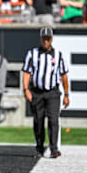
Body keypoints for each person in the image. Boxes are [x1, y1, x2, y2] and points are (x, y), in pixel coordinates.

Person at [22, 27, 69, 158]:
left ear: (52, 39)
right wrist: (26, 89)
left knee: (54, 120)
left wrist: (66, 94)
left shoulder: (58, 55)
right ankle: (39, 147)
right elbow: (27, 72)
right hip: (36, 92)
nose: (46, 42)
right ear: (40, 39)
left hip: (53, 92)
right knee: (38, 121)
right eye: (44, 39)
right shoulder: (32, 53)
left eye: (48, 39)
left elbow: (64, 75)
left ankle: (54, 149)